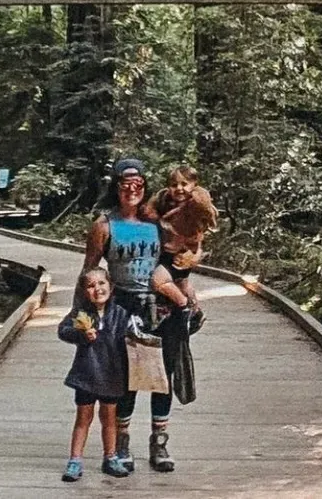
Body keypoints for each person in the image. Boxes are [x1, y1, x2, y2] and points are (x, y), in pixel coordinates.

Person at [83, 158, 187, 473]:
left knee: (161, 378)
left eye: (138, 183)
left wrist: (186, 299)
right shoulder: (104, 226)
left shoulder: (157, 224)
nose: (132, 189)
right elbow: (89, 269)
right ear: (115, 187)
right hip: (121, 308)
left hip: (160, 307)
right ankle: (122, 443)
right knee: (125, 379)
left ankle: (159, 443)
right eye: (125, 184)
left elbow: (180, 261)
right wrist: (85, 315)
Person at [57, 268, 131, 482]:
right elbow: (63, 330)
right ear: (84, 291)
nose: (97, 289)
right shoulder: (81, 312)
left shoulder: (120, 313)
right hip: (87, 374)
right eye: (91, 286)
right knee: (83, 418)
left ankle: (110, 457)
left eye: (101, 283)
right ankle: (75, 460)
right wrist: (80, 334)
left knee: (109, 418)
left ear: (111, 286)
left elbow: (133, 333)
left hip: (112, 374)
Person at [143, 165, 217, 316]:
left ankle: (184, 305)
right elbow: (149, 212)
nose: (179, 188)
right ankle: (195, 310)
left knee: (158, 280)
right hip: (167, 250)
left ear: (194, 185)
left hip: (183, 253)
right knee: (181, 282)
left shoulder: (194, 203)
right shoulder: (165, 200)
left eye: (184, 184)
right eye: (174, 185)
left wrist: (197, 193)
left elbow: (205, 208)